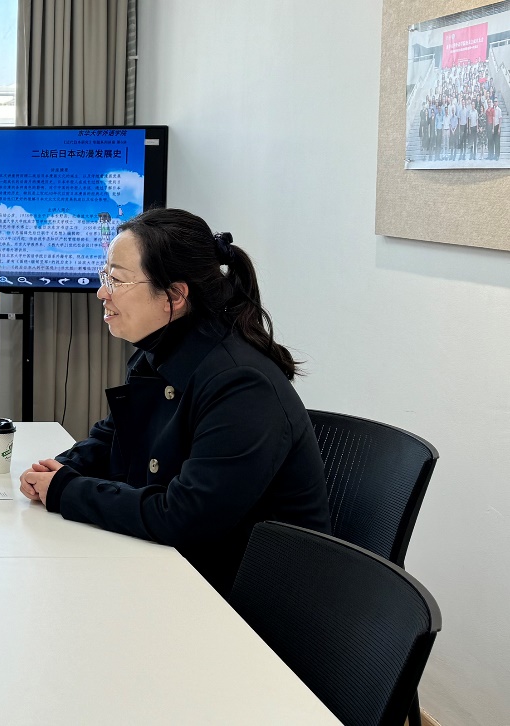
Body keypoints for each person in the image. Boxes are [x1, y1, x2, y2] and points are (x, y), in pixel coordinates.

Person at [18, 208, 331, 594]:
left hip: (248, 598)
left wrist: (67, 490)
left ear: (175, 296)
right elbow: (115, 438)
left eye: (117, 280)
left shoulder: (241, 384)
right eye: (105, 277)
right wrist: (62, 468)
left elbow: (185, 518)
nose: (102, 293)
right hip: (179, 569)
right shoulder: (163, 350)